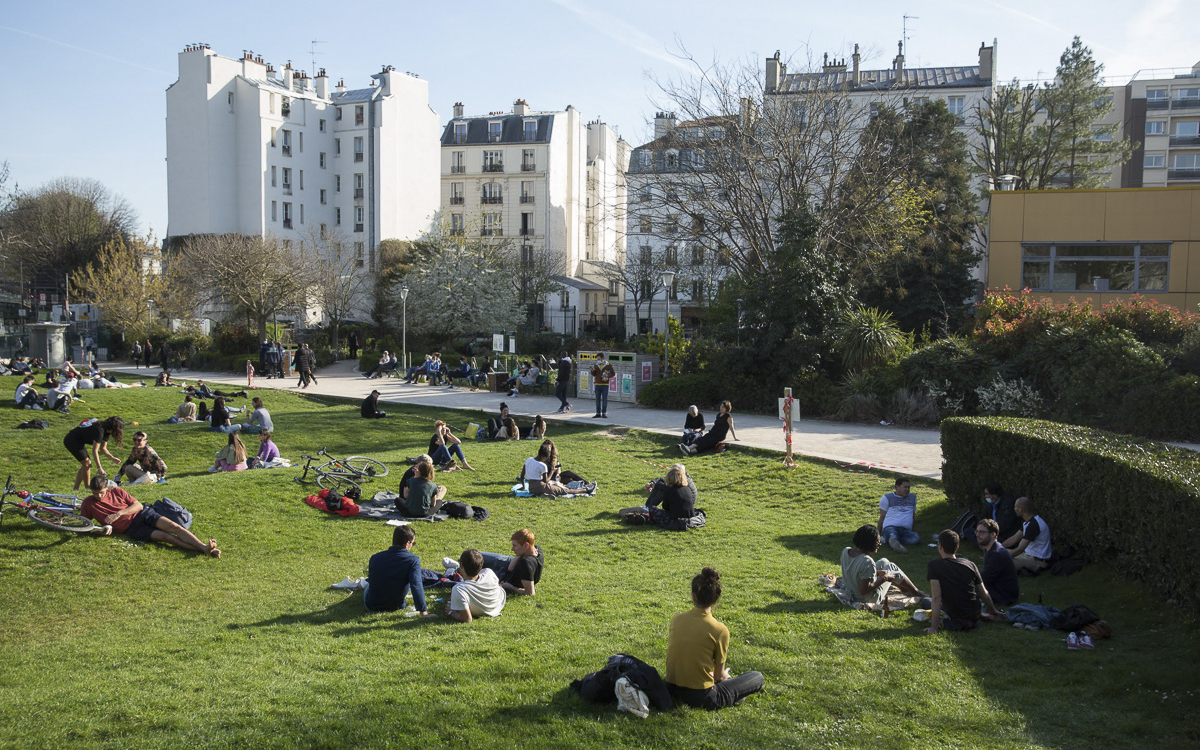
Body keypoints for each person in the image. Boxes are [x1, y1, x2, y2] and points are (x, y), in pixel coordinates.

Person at [665, 567, 765, 710]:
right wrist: (725, 676)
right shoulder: (719, 630)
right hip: (701, 696)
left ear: (693, 596)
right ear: (716, 599)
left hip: (671, 689)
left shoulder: (677, 619)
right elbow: (718, 677)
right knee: (757, 677)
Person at [81, 475, 221, 556]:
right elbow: (85, 525)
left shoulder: (117, 491)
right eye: (95, 493)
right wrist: (103, 529)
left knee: (173, 526)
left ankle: (203, 547)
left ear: (107, 487)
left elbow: (138, 505)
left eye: (101, 492)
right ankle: (204, 550)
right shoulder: (88, 503)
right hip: (132, 529)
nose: (98, 496)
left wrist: (119, 513)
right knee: (167, 538)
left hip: (143, 514)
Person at [925, 529, 1004, 634]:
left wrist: (934, 627)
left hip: (955, 613)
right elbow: (984, 593)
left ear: (940, 547)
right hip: (974, 614)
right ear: (957, 548)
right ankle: (985, 615)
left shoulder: (934, 566)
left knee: (926, 601)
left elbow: (936, 598)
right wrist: (993, 610)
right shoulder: (970, 564)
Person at [840, 524, 927, 607]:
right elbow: (864, 590)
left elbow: (855, 571)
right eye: (878, 543)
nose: (880, 545)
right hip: (865, 599)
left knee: (884, 561)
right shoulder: (867, 561)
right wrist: (884, 578)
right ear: (870, 544)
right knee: (891, 567)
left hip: (850, 592)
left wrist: (877, 572)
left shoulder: (846, 551)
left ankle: (905, 589)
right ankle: (915, 592)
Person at [363, 525, 436, 616]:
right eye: (413, 543)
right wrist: (423, 612)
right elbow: (416, 586)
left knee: (367, 586)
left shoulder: (375, 558)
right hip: (396, 605)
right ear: (407, 543)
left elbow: (373, 580)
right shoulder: (412, 560)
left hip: (372, 605)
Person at [478, 529, 544, 597]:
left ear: (526, 545)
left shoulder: (526, 564)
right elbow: (510, 568)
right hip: (507, 562)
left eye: (515, 545)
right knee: (473, 555)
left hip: (501, 570)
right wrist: (520, 556)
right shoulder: (537, 550)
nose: (512, 549)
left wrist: (511, 587)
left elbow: (530, 593)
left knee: (471, 556)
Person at [64, 416, 124, 491]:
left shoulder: (107, 432)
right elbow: (95, 451)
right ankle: (88, 488)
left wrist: (112, 458)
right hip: (71, 440)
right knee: (87, 464)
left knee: (86, 464)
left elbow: (103, 448)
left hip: (79, 441)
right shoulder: (99, 430)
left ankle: (75, 489)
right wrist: (99, 468)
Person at [447, 549, 506, 623]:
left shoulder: (459, 589)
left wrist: (451, 612)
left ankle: (451, 569)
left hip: (484, 610)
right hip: (497, 604)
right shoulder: (489, 572)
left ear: (461, 565)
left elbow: (467, 619)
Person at [641, 463, 704, 531]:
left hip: (675, 519)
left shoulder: (670, 490)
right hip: (689, 515)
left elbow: (665, 507)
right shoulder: (686, 488)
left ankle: (646, 511)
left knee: (653, 509)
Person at [522, 443, 595, 496]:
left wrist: (557, 472)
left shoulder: (529, 459)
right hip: (543, 483)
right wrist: (552, 472)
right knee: (565, 490)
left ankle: (585, 483)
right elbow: (545, 482)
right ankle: (586, 490)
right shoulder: (542, 465)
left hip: (531, 487)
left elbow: (522, 476)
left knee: (566, 475)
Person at [1003, 496, 1053, 574]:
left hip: (1036, 561)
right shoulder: (1028, 523)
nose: (1014, 509)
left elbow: (1020, 549)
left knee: (1001, 562)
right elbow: (1014, 538)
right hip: (1027, 556)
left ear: (1020, 510)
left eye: (1015, 507)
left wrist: (1002, 558)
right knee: (999, 553)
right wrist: (997, 547)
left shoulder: (1033, 525)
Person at [976, 518, 1019, 606]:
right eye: (977, 531)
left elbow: (985, 579)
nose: (978, 535)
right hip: (1001, 590)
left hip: (1003, 596)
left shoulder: (997, 554)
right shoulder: (994, 549)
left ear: (993, 534)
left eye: (982, 532)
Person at [877, 477, 920, 553]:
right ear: (897, 487)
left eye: (908, 487)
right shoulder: (887, 498)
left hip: (905, 529)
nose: (907, 489)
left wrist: (913, 530)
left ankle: (891, 540)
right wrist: (877, 536)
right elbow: (882, 517)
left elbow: (913, 515)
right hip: (890, 527)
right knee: (892, 535)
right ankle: (894, 541)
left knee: (916, 538)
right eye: (905, 487)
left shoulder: (912, 497)